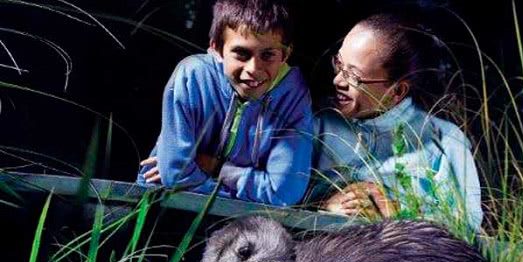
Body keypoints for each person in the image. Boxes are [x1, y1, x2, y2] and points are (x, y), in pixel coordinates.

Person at [311, 14, 483, 231]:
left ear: (397, 91)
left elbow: (468, 225)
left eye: (354, 76)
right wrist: (324, 204)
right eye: (339, 64)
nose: (337, 80)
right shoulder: (317, 122)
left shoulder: (445, 141)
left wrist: (398, 210)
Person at [137, 0, 313, 206]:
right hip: (165, 203)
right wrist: (249, 191)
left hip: (242, 220)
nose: (254, 68)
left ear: (285, 54)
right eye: (242, 53)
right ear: (217, 48)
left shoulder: (294, 95)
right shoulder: (192, 76)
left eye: (268, 55)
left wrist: (216, 168)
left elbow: (284, 193)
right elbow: (175, 175)